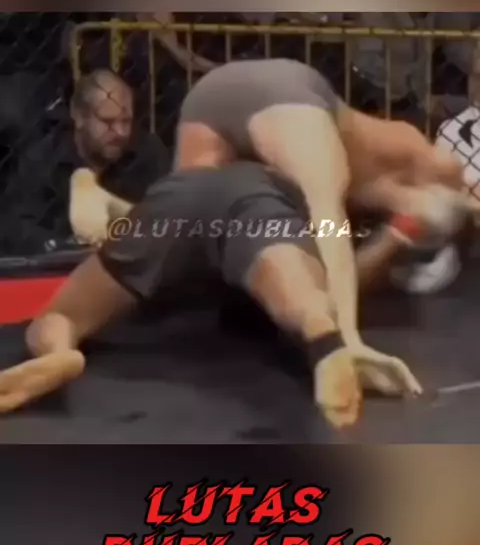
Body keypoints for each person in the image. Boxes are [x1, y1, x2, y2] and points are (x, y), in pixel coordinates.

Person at [0, 161, 424, 428]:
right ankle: (321, 333)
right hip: (255, 203)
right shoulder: (311, 186)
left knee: (60, 316)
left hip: (174, 201)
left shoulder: (215, 152)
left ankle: (58, 352)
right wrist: (398, 235)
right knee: (303, 291)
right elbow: (341, 270)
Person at [174, 58, 467, 375]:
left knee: (182, 225)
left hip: (212, 99)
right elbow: (331, 225)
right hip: (287, 101)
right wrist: (348, 341)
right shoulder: (407, 154)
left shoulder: (387, 183)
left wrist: (400, 231)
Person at [69, 69, 171, 245]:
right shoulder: (48, 156)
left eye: (126, 121)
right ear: (79, 117)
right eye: (107, 121)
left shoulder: (148, 152)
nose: (120, 132)